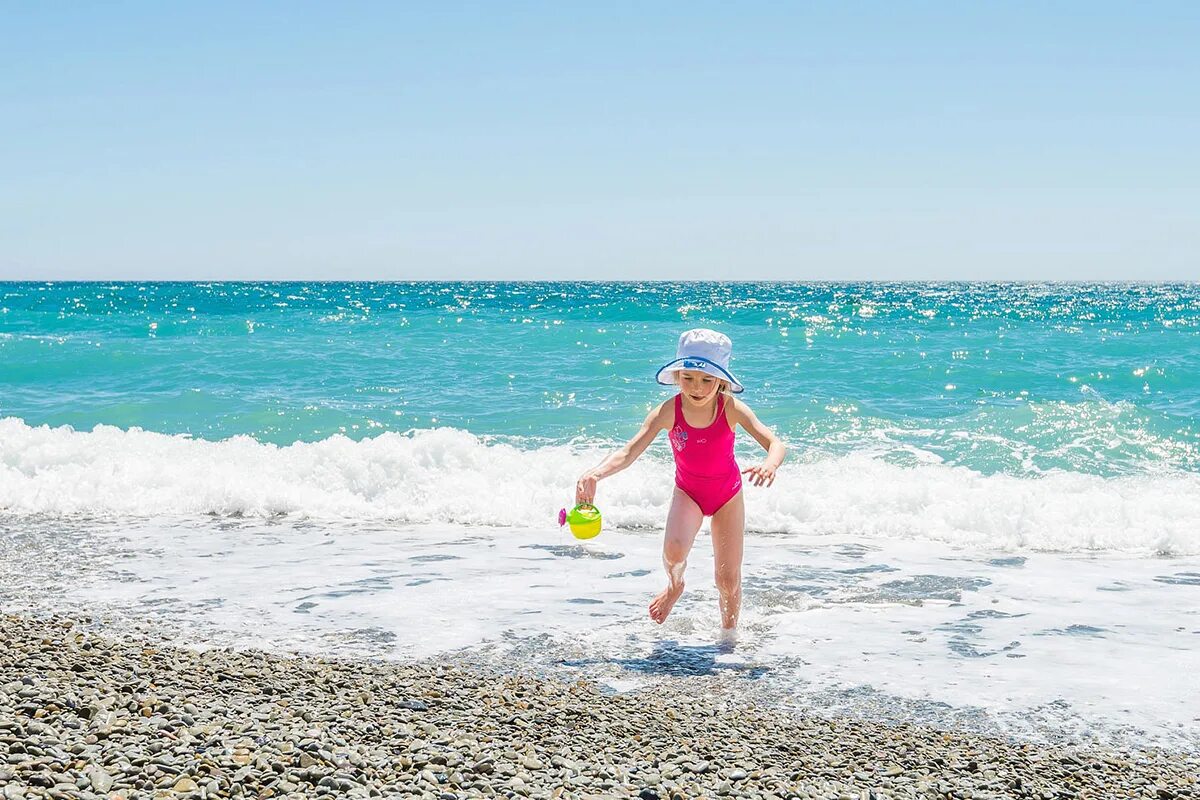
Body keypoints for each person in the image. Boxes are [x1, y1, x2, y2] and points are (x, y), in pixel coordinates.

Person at [575, 328, 786, 631]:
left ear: (721, 381)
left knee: (726, 579)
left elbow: (775, 443)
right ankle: (675, 586)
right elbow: (629, 451)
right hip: (688, 492)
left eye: (707, 380)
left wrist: (770, 465)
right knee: (673, 551)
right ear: (677, 376)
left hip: (727, 496)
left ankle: (729, 636)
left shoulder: (731, 409)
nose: (697, 387)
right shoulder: (667, 412)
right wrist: (595, 473)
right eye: (688, 378)